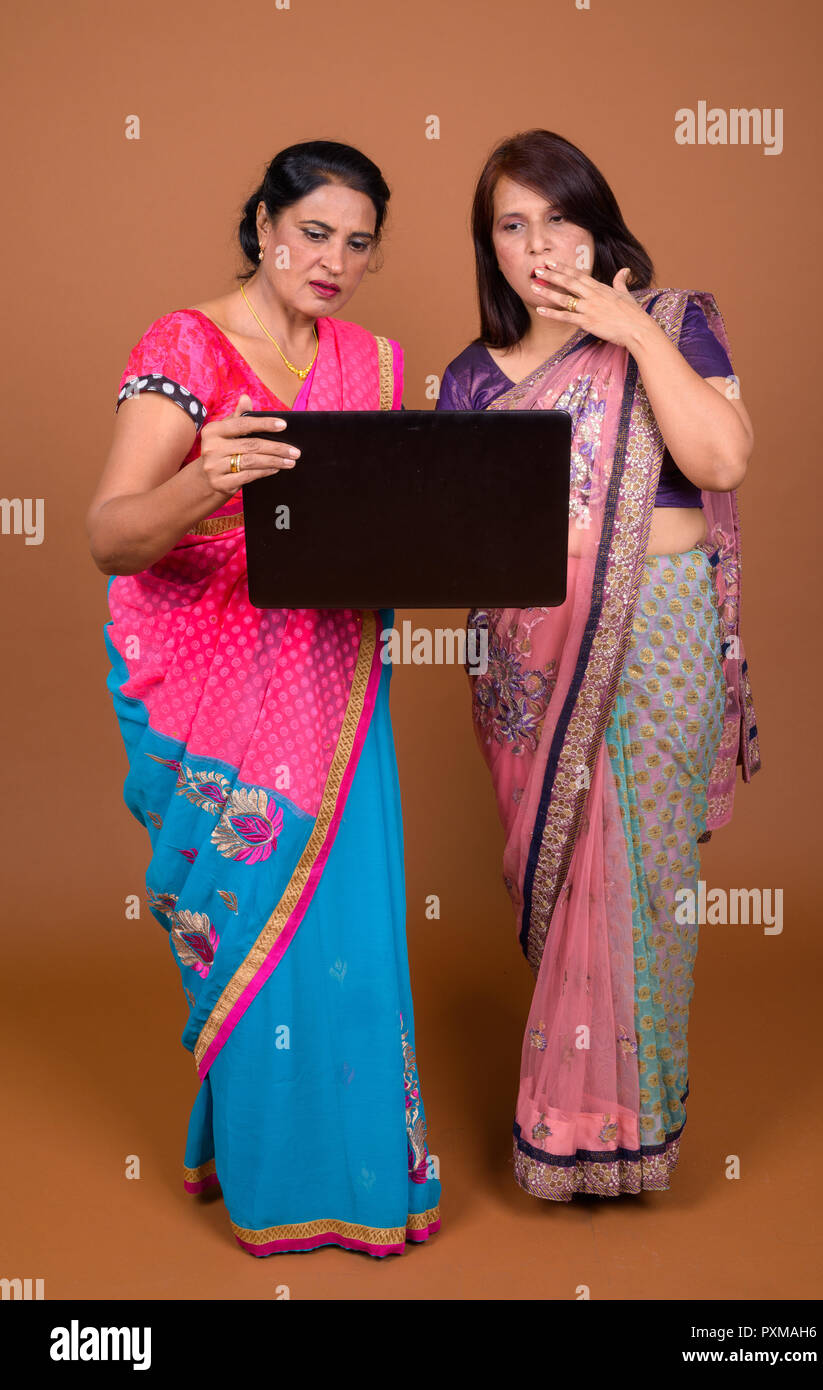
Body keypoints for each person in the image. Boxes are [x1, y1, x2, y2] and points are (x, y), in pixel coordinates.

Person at [87, 140, 441, 1256]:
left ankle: (358, 1179)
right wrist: (207, 475)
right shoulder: (184, 344)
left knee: (344, 936)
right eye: (314, 231)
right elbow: (110, 534)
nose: (332, 259)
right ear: (263, 223)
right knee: (250, 931)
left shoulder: (376, 365)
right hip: (212, 696)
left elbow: (377, 530)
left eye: (358, 241)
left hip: (333, 687)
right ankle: (273, 1181)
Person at [437, 129, 760, 1199]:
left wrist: (627, 322)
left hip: (657, 639)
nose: (540, 245)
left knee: (647, 885)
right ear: (491, 247)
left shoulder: (674, 322)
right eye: (512, 225)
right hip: (535, 672)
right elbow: (455, 545)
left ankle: (630, 1128)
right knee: (579, 881)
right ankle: (571, 1129)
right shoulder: (473, 380)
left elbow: (721, 457)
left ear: (597, 220)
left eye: (559, 217)